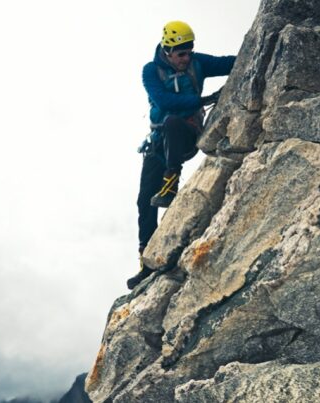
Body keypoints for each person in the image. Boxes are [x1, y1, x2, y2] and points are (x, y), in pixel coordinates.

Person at [126, 21, 236, 289]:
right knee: (144, 203)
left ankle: (171, 181)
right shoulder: (151, 71)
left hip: (184, 137)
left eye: (189, 52)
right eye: (181, 54)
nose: (186, 58)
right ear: (167, 50)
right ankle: (147, 263)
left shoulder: (197, 63)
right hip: (158, 145)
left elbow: (229, 63)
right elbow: (163, 101)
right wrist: (201, 100)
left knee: (175, 121)